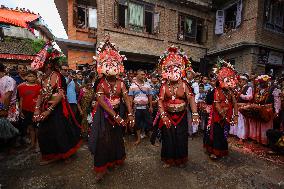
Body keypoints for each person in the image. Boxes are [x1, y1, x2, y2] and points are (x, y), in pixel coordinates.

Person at [89, 38, 134, 181]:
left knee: (116, 138)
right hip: (104, 115)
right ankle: (101, 169)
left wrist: (130, 113)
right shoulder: (100, 83)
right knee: (102, 140)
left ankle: (114, 160)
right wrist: (116, 116)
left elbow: (126, 98)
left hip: (117, 112)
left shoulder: (121, 83)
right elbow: (101, 101)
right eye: (107, 65)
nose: (111, 68)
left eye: (114, 64)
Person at [32, 47, 82, 165]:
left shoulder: (58, 76)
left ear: (48, 64)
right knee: (43, 133)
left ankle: (65, 154)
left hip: (57, 109)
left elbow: (60, 95)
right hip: (45, 107)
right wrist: (37, 110)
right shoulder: (42, 78)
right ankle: (53, 155)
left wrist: (49, 111)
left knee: (60, 132)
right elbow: (41, 94)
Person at [155, 46, 199, 168]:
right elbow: (160, 101)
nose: (173, 71)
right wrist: (163, 115)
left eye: (176, 68)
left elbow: (191, 99)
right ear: (165, 70)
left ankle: (180, 159)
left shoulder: (185, 85)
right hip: (168, 115)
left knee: (181, 137)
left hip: (181, 116)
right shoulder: (164, 86)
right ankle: (168, 159)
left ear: (181, 69)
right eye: (169, 68)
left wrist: (195, 113)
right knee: (168, 138)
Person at [204, 59, 238, 160]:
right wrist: (224, 117)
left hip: (227, 116)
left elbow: (235, 104)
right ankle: (214, 151)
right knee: (216, 133)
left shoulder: (231, 92)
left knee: (224, 134)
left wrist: (235, 116)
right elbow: (217, 105)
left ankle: (222, 150)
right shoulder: (216, 91)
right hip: (217, 117)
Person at [18, 70, 41, 150]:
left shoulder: (39, 87)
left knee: (37, 128)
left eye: (33, 76)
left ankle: (38, 144)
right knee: (30, 127)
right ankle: (32, 143)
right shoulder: (21, 87)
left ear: (36, 77)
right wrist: (20, 110)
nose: (31, 78)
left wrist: (37, 110)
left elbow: (39, 99)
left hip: (35, 110)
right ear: (26, 77)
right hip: (25, 110)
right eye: (29, 76)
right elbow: (21, 99)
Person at [129, 69, 153, 145]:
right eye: (142, 74)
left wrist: (151, 106)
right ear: (137, 75)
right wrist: (131, 109)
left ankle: (152, 139)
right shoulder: (132, 86)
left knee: (149, 122)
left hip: (145, 107)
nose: (143, 76)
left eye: (144, 75)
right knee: (137, 124)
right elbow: (130, 98)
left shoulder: (147, 85)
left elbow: (150, 96)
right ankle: (138, 139)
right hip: (137, 108)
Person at [0, 63, 19, 155]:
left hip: (9, 107)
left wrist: (4, 110)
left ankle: (11, 148)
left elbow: (8, 96)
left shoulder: (8, 80)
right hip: (3, 106)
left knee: (10, 127)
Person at [230, 74, 253, 144]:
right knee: (236, 120)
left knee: (242, 122)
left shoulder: (249, 88)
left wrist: (240, 94)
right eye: (241, 80)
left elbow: (249, 97)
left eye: (243, 80)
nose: (241, 81)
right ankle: (235, 133)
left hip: (243, 106)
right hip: (236, 106)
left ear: (246, 81)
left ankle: (241, 137)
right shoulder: (239, 88)